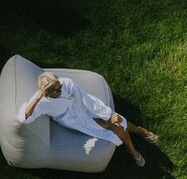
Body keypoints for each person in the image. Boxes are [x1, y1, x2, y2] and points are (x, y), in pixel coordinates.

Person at [19, 71, 159, 166]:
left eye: (59, 86)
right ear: (46, 93)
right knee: (112, 124)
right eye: (56, 90)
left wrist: (108, 114)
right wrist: (37, 98)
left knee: (114, 120)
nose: (61, 90)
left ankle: (136, 139)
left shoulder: (66, 83)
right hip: (72, 119)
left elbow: (86, 100)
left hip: (83, 106)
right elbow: (25, 117)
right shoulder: (41, 102)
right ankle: (134, 144)